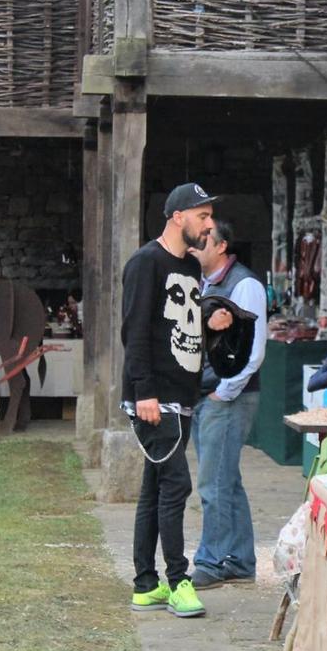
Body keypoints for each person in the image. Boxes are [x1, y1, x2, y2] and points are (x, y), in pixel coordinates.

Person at [121, 183, 233, 617]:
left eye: (210, 217)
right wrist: (144, 391)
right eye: (202, 216)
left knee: (154, 489)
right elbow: (135, 332)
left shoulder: (190, 268)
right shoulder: (145, 263)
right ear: (177, 217)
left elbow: (180, 327)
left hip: (181, 396)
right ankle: (177, 579)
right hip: (155, 399)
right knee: (177, 485)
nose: (209, 224)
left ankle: (145, 583)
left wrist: (211, 321)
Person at [189, 217, 268, 590]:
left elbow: (254, 348)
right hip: (212, 393)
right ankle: (239, 558)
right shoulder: (206, 284)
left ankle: (212, 560)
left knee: (214, 482)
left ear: (221, 246)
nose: (196, 244)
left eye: (205, 238)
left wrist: (226, 390)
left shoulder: (245, 285)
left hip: (228, 395)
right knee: (226, 479)